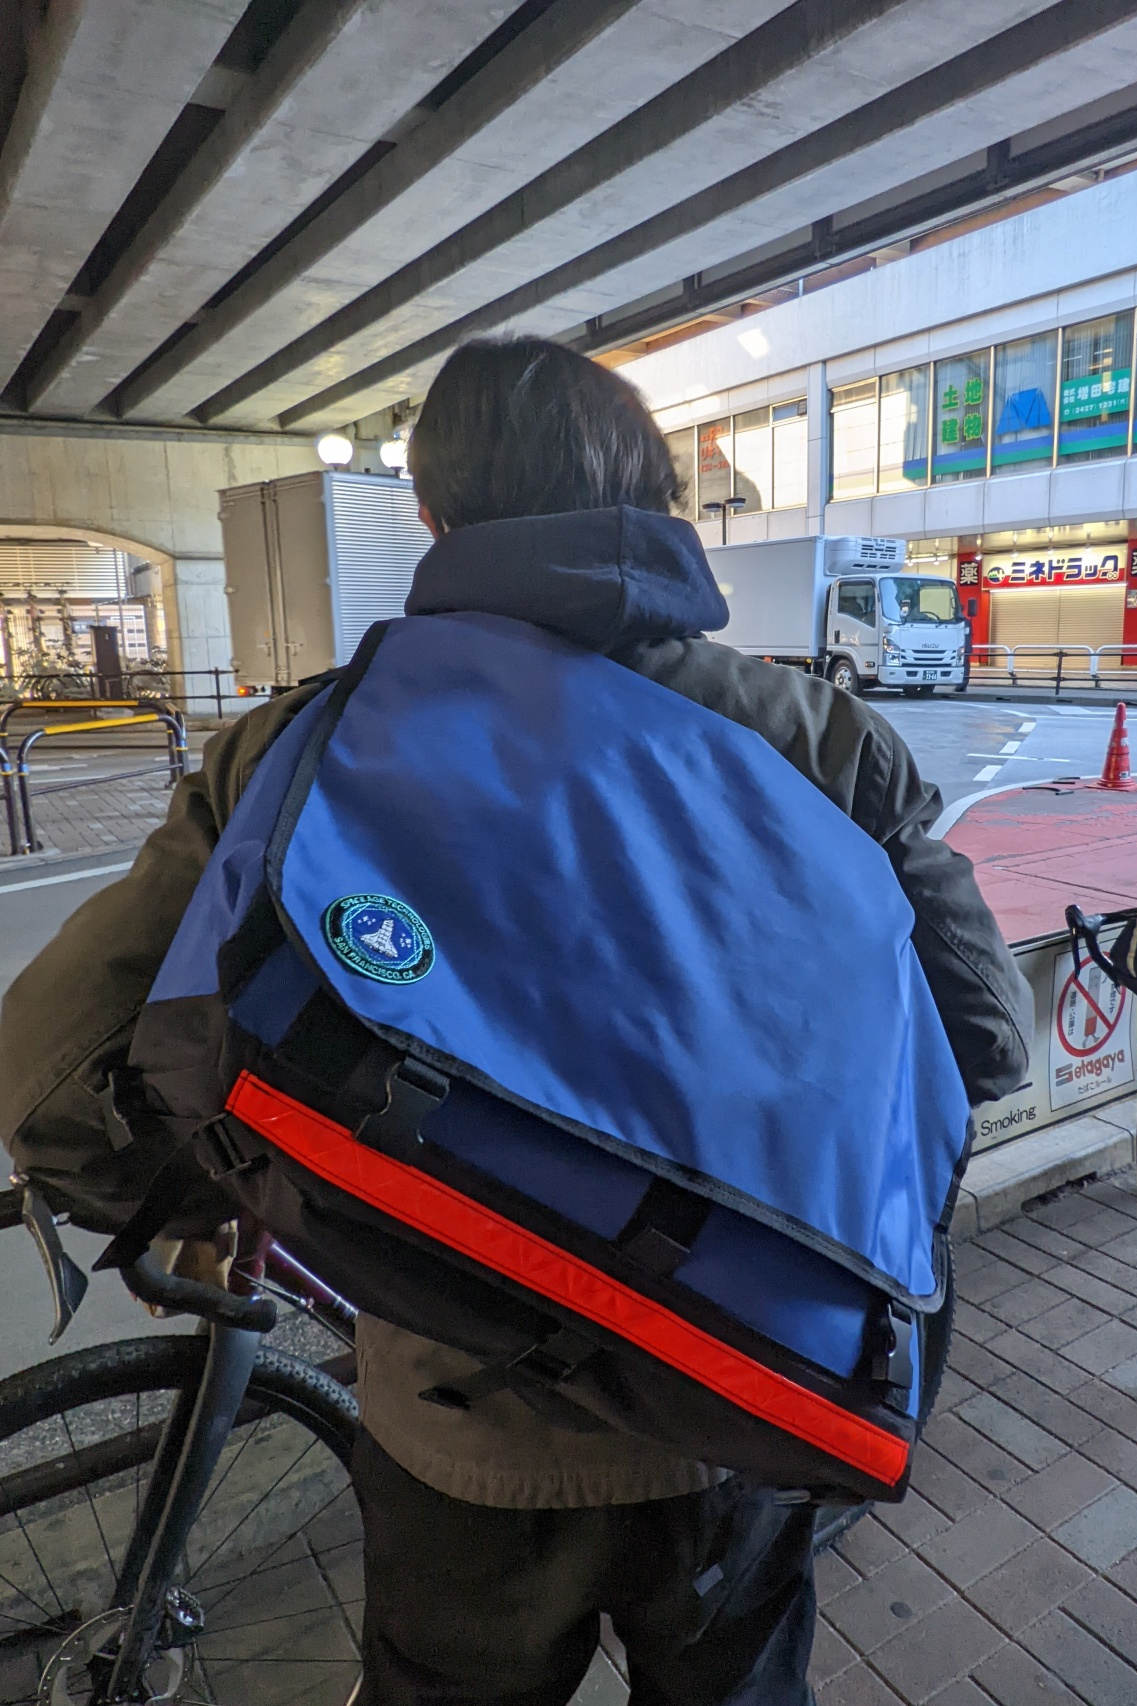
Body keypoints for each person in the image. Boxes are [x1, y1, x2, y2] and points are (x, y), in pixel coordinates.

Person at [0, 336, 1032, 1705]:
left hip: (456, 1425)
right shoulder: (820, 738)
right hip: (741, 1386)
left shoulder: (306, 740)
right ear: (660, 504)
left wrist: (234, 1187)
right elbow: (990, 1038)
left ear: (435, 517)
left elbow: (51, 1074)